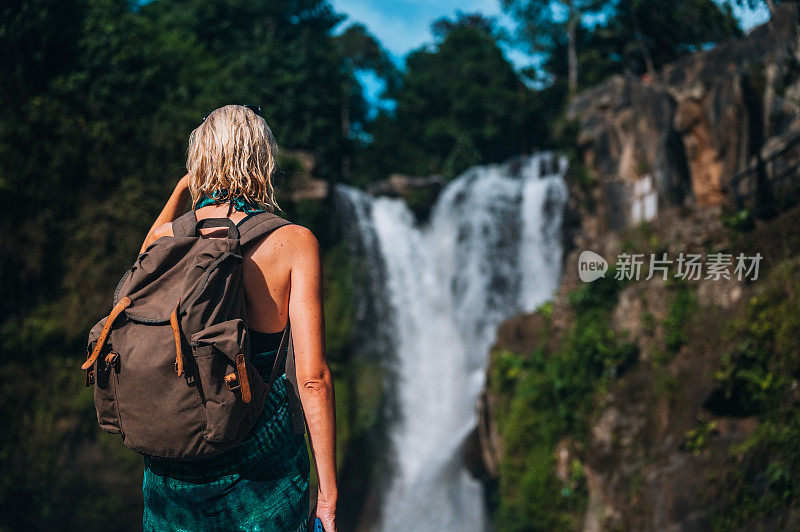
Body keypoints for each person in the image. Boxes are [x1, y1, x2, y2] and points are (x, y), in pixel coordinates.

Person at [138, 105, 337, 532]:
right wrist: (328, 494)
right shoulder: (294, 242)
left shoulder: (168, 240)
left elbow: (144, 255)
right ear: (264, 161)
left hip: (175, 467)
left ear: (200, 161)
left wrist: (182, 189)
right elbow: (312, 378)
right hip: (263, 469)